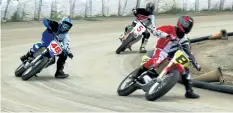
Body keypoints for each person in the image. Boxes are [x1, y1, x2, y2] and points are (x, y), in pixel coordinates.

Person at [132, 15, 201, 99]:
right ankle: (138, 72)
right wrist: (165, 35)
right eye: (186, 24)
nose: (187, 27)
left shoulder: (185, 40)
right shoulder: (170, 28)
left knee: (185, 70)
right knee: (156, 61)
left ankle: (189, 91)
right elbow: (155, 31)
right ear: (181, 23)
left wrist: (195, 63)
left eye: (189, 26)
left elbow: (189, 52)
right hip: (161, 50)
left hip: (172, 56)